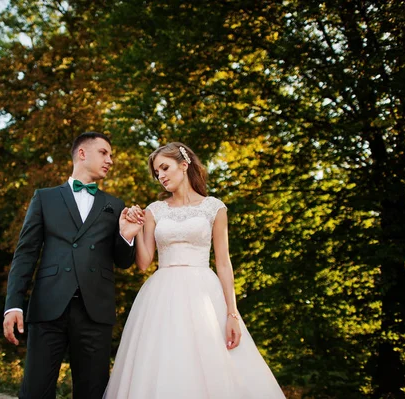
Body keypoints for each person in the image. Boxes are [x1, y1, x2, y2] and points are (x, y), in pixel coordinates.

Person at [104, 142, 286, 398]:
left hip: (204, 293)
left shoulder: (214, 207)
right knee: (164, 364)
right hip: (161, 295)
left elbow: (223, 262)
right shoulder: (154, 211)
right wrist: (130, 234)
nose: (161, 176)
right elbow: (145, 263)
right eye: (157, 173)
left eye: (165, 168)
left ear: (184, 164)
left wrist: (232, 313)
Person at [3, 132, 141, 399]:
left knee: (92, 392)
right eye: (104, 153)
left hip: (95, 312)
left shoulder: (115, 205)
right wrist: (13, 304)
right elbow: (26, 254)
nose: (110, 160)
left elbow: (123, 262)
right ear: (82, 153)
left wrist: (127, 235)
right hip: (48, 306)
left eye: (110, 155)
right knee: (35, 392)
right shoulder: (44, 198)